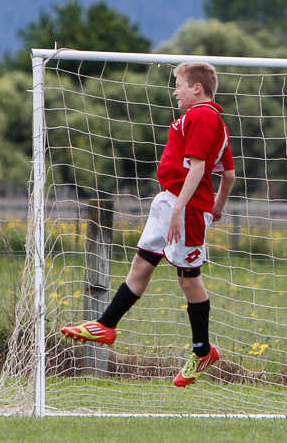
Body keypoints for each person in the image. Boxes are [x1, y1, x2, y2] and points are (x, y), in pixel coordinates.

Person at [61, 61, 236, 387]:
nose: (175, 92)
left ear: (197, 88)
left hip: (185, 208)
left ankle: (202, 351)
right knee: (141, 264)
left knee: (188, 279)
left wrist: (183, 208)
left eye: (179, 85)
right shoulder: (211, 121)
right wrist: (218, 208)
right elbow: (228, 175)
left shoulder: (203, 116)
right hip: (170, 201)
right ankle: (106, 325)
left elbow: (199, 169)